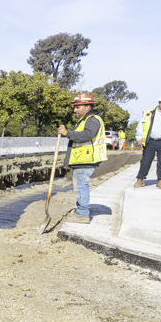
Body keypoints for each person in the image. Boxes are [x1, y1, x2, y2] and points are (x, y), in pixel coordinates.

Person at [57, 92, 107, 224]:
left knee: (81, 186)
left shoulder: (92, 120)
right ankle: (81, 209)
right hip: (82, 158)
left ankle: (83, 214)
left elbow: (86, 135)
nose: (75, 110)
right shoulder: (85, 119)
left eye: (78, 107)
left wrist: (67, 133)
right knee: (79, 185)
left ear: (87, 107)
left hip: (86, 159)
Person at [134, 93, 161, 189]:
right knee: (145, 161)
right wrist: (138, 138)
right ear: (159, 102)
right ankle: (140, 179)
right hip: (150, 141)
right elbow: (140, 126)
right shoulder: (149, 113)